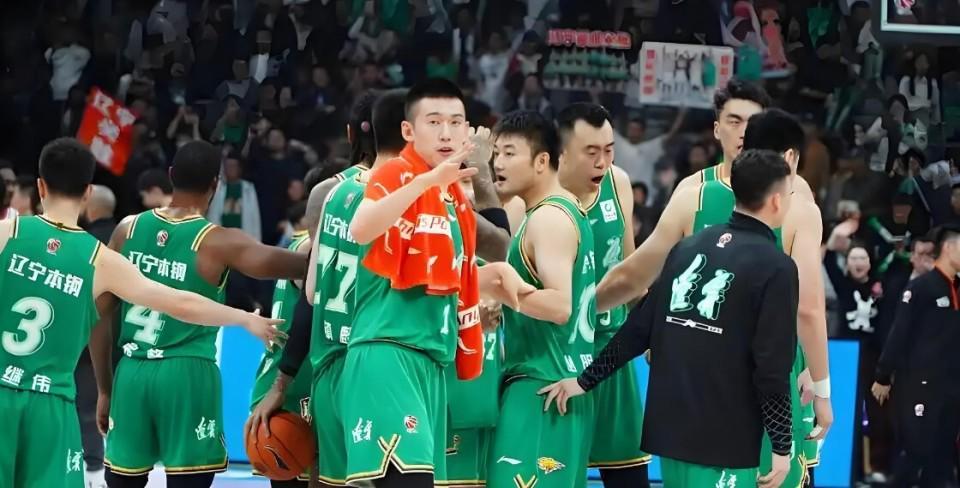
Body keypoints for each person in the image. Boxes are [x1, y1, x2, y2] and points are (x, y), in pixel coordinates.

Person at [0, 138, 282, 488]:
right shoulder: (99, 260)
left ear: (40, 187)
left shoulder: (6, 234)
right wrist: (245, 318)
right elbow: (180, 303)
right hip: (51, 403)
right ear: (88, 192)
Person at [597, 101, 833, 486]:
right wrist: (821, 385)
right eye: (733, 120)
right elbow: (808, 310)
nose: (739, 130)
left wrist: (581, 316)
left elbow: (638, 283)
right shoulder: (797, 202)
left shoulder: (693, 195)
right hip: (766, 380)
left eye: (745, 123)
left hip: (694, 384)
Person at [541, 149, 800, 488]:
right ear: (777, 201)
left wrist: (584, 380)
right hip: (725, 439)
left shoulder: (688, 246)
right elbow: (772, 365)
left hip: (671, 432)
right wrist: (781, 445)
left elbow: (639, 327)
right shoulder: (777, 267)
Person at [343, 78, 532, 487]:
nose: (446, 133)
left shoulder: (454, 200)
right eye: (434, 122)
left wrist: (493, 277)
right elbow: (361, 228)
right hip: (387, 352)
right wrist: (426, 182)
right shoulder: (396, 172)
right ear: (408, 130)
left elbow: (442, 276)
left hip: (430, 360)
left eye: (456, 122)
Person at [100, 141, 308, 488]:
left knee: (122, 481)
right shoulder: (217, 241)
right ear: (215, 184)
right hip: (187, 371)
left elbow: (102, 315)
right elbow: (290, 264)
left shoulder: (128, 229)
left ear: (171, 176)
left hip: (132, 371)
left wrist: (106, 388)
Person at [248, 88, 410, 488]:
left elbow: (311, 291)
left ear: (352, 133)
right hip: (390, 364)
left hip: (327, 364)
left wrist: (282, 380)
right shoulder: (420, 195)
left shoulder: (330, 193)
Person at [484, 110, 597, 488]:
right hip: (558, 384)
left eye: (509, 153)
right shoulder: (562, 209)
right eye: (496, 153)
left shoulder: (548, 219)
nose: (499, 163)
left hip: (543, 388)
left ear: (541, 160)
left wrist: (502, 289)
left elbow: (560, 306)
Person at [555, 103, 649, 487]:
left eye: (609, 150)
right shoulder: (538, 193)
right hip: (558, 353)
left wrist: (650, 333)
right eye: (591, 152)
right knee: (557, 473)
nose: (602, 162)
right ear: (561, 152)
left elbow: (631, 270)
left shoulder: (618, 182)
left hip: (612, 351)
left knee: (628, 475)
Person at [872, 225, 960, 488]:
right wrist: (883, 375)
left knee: (942, 454)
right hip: (920, 382)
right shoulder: (921, 287)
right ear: (949, 248)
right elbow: (899, 332)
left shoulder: (956, 288)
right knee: (916, 450)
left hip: (951, 384)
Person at [78, 184, 118, 488]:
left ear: (89, 205)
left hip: (87, 341)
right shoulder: (129, 240)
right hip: (128, 342)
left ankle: (93, 471)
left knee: (88, 408)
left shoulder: (85, 244)